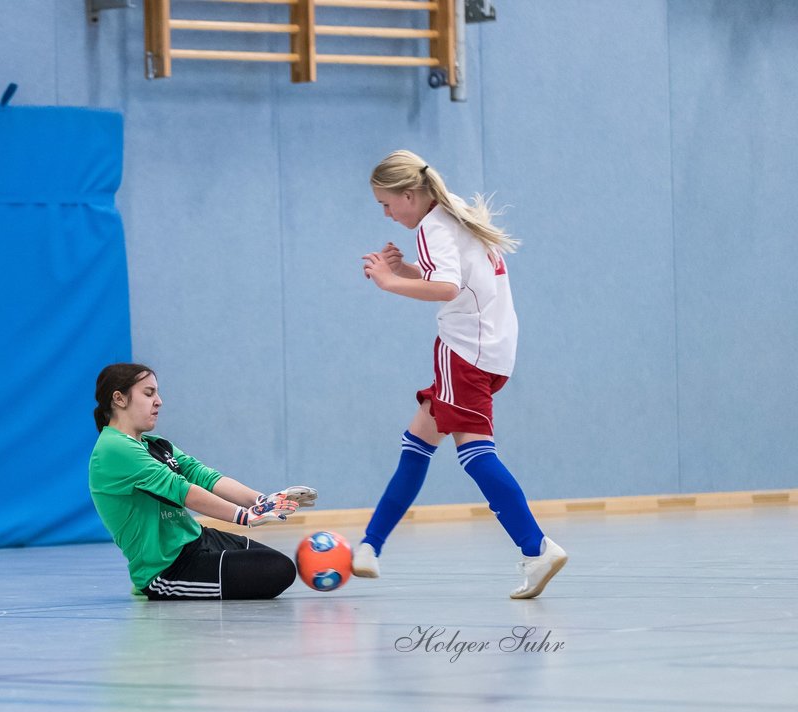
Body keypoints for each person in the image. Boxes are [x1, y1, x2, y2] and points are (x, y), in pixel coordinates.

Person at [355, 150, 567, 599]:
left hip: (464, 352)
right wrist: (405, 269)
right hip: (491, 348)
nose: (386, 214)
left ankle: (537, 548)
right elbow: (457, 281)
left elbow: (447, 288)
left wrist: (389, 282)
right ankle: (369, 547)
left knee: (474, 453)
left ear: (409, 195)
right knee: (417, 443)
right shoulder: (453, 210)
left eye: (387, 204)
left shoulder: (433, 226)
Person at [88, 363, 315, 600]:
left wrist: (261, 501)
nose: (159, 401)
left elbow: (203, 476)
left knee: (279, 563)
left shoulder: (155, 444)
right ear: (119, 399)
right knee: (278, 570)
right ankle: (149, 585)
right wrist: (245, 515)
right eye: (148, 393)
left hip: (196, 539)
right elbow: (183, 490)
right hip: (168, 568)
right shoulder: (114, 448)